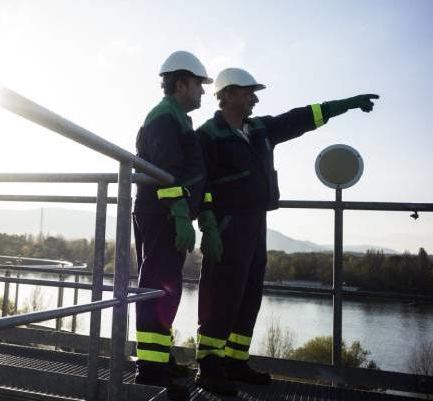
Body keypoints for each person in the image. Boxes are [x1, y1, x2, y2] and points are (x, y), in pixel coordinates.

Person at [194, 67, 379, 395]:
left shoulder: (260, 128)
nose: (255, 98)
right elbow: (200, 182)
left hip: (256, 222)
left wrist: (345, 105)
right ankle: (208, 364)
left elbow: (302, 117)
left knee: (249, 293)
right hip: (227, 224)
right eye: (250, 92)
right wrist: (207, 223)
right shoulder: (209, 134)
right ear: (230, 94)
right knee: (221, 293)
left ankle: (235, 360)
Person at [132, 50, 222, 399]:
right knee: (156, 286)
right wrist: (181, 212)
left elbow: (189, 173)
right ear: (181, 83)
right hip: (162, 214)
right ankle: (150, 369)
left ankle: (159, 358)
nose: (202, 92)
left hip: (169, 213)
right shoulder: (164, 117)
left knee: (165, 288)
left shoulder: (179, 119)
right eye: (198, 85)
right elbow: (167, 170)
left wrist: (200, 213)